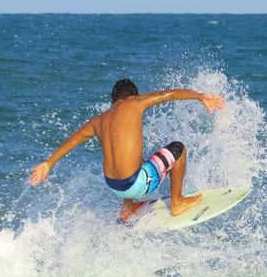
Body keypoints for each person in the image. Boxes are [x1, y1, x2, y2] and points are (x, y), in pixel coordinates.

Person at [29, 78, 226, 221]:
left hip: (115, 187)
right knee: (178, 149)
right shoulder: (136, 103)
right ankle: (177, 201)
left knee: (133, 157)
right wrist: (201, 96)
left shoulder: (98, 121)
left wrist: (48, 163)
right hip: (135, 183)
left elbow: (72, 141)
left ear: (113, 100)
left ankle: (127, 208)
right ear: (133, 96)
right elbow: (172, 94)